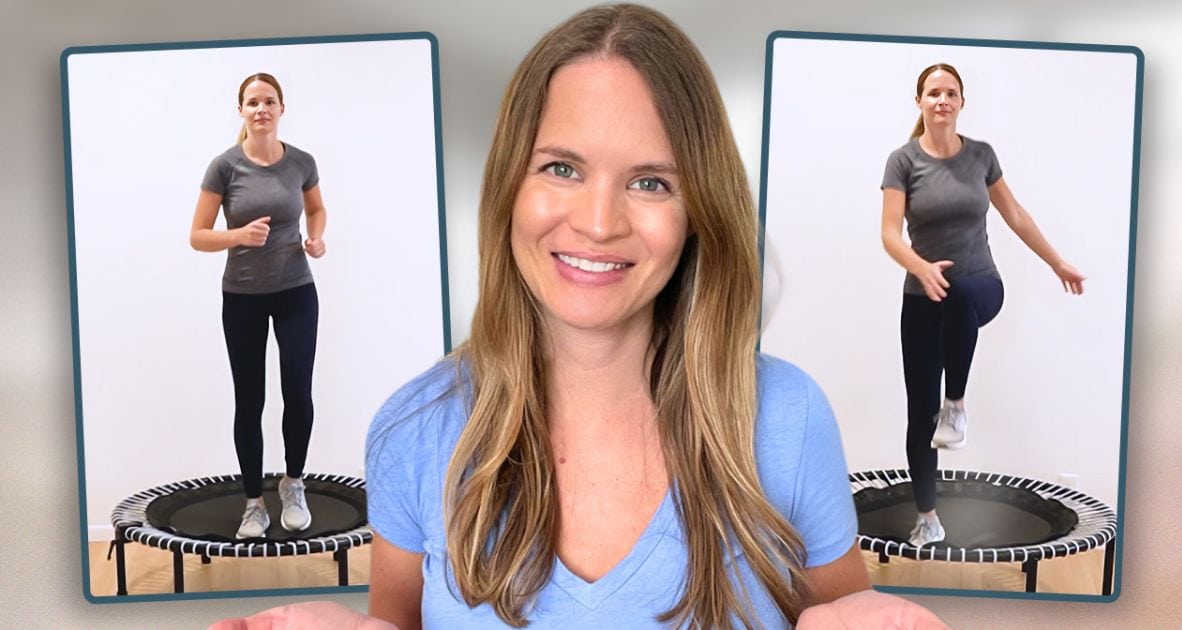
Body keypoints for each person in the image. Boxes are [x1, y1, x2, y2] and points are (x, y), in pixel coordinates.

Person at [365, 5, 876, 629]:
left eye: (651, 183)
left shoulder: (789, 420)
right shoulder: (412, 432)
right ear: (508, 185)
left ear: (699, 213)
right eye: (562, 168)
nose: (599, 223)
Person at [880, 62, 1086, 547]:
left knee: (961, 292)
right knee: (917, 414)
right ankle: (927, 517)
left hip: (979, 287)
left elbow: (1014, 213)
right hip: (922, 298)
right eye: (933, 93)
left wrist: (1057, 263)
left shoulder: (981, 156)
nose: (942, 101)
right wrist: (919, 266)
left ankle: (957, 403)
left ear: (961, 102)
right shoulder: (903, 162)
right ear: (920, 102)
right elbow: (889, 233)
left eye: (950, 93)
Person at [190, 72, 329, 540]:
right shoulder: (224, 167)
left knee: (299, 393)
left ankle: (293, 483)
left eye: (269, 101)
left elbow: (318, 208)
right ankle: (253, 504)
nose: (261, 109)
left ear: (281, 109)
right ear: (242, 111)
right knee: (250, 401)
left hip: (296, 293)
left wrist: (316, 237)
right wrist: (238, 236)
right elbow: (198, 235)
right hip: (243, 298)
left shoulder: (302, 162)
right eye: (253, 102)